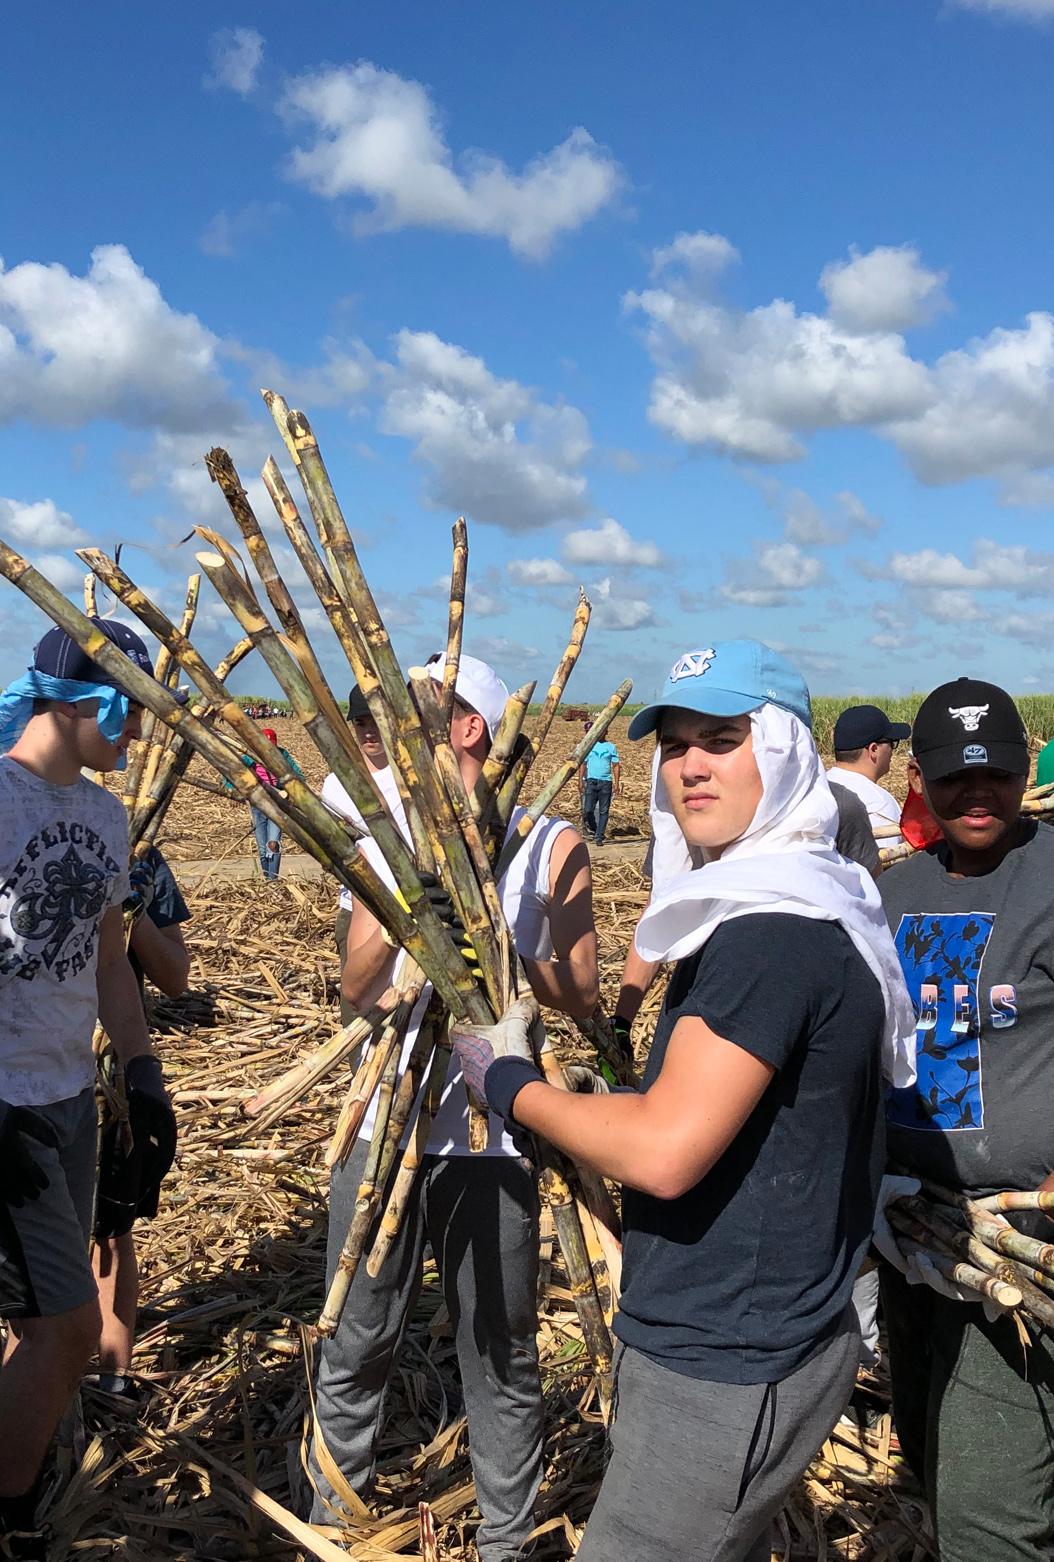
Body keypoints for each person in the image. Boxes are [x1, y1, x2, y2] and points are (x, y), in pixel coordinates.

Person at [449, 640, 915, 1562]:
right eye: (675, 745)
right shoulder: (796, 895)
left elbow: (666, 1148)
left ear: (781, 750)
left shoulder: (770, 933)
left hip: (727, 1359)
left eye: (723, 737)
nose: (691, 765)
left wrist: (513, 1087)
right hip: (755, 1335)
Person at [309, 653, 599, 1562]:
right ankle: (326, 1527)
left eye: (422, 712)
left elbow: (580, 990)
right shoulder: (387, 837)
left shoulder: (550, 842)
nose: (397, 729)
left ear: (472, 726)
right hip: (389, 1112)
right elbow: (357, 987)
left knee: (501, 1353)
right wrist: (407, 910)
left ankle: (507, 1545)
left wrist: (507, 950)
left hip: (494, 1132)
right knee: (354, 1339)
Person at [0, 619, 176, 1558]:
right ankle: (11, 1515)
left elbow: (110, 956)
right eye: (130, 712)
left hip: (68, 1099)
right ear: (85, 702)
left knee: (38, 1323)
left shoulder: (106, 818)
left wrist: (141, 1072)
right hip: (5, 1109)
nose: (137, 735)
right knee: (67, 1331)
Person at [877, 677, 1054, 1562]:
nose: (976, 794)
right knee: (930, 1455)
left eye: (996, 773)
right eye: (954, 777)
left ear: (1026, 768)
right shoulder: (888, 893)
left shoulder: (1052, 877)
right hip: (908, 1230)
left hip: (1016, 1243)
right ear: (920, 778)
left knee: (990, 1516)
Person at [90, 844, 190, 1400]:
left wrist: (131, 914)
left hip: (113, 1073)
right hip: (31, 1064)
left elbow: (175, 977)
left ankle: (112, 1379)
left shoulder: (144, 859)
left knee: (112, 1229)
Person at [320, 687, 404, 1026]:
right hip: (356, 912)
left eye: (375, 721)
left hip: (413, 909)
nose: (369, 731)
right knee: (361, 1016)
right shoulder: (336, 785)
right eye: (360, 723)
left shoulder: (412, 781)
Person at [827, 704, 910, 838]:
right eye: (892, 743)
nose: (892, 751)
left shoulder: (819, 787)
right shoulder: (879, 805)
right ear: (874, 750)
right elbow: (887, 858)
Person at [239, 727, 303, 881]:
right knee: (262, 848)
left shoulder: (282, 755)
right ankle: (267, 879)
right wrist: (232, 788)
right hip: (258, 803)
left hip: (277, 803)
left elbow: (298, 775)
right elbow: (234, 769)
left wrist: (293, 791)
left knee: (272, 844)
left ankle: (273, 880)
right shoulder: (251, 756)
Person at [578, 727, 620, 848]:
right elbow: (583, 764)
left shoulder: (611, 747)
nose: (601, 734)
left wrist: (617, 784)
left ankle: (599, 836)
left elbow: (616, 766)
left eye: (603, 731)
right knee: (588, 810)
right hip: (591, 781)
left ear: (606, 732)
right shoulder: (590, 746)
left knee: (603, 811)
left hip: (606, 782)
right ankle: (596, 829)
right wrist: (580, 780)